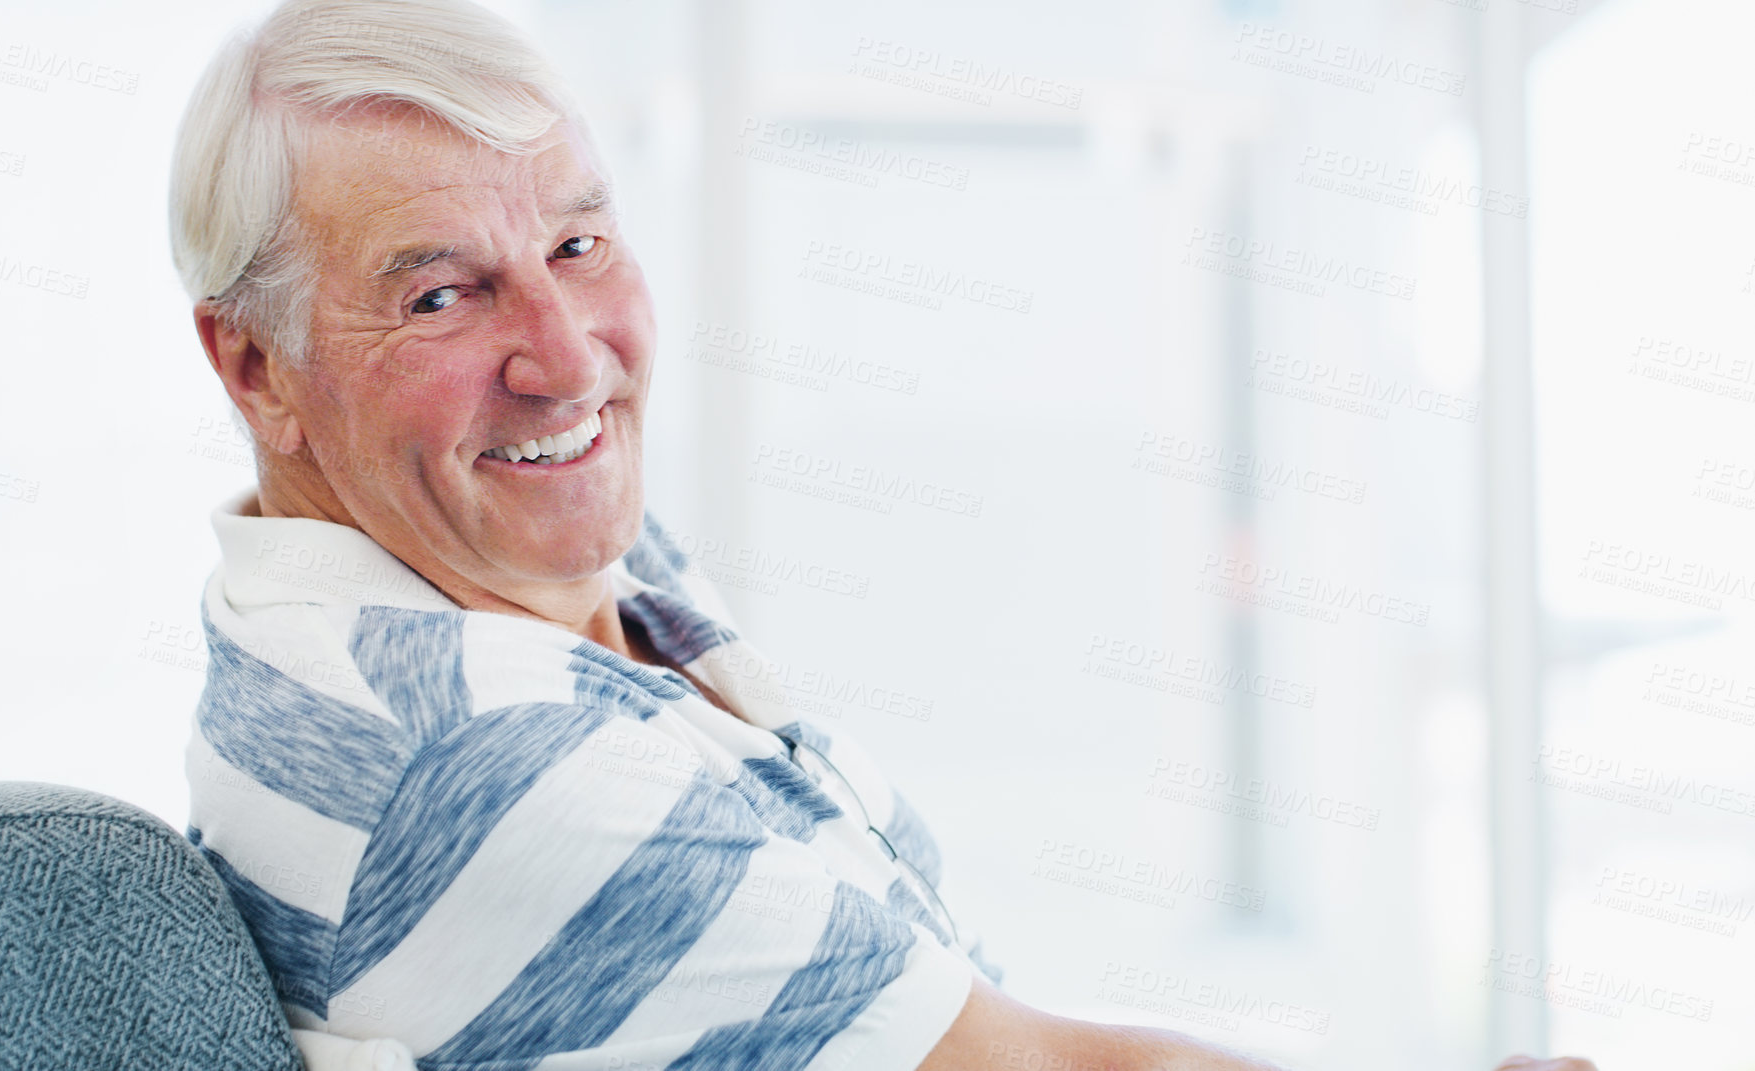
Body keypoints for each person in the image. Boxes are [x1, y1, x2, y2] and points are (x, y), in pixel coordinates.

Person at [172, 2, 1598, 1069]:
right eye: (439, 298)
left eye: (577, 244)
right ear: (254, 369)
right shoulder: (476, 749)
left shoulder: (494, 564)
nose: (566, 357)